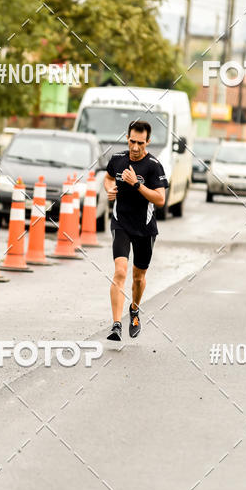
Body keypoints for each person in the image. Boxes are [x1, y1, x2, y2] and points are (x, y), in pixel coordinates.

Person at [104, 120, 168, 341]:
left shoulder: (153, 166)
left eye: (140, 143)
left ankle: (134, 308)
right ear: (127, 138)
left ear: (148, 142)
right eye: (132, 141)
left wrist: (137, 184)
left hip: (145, 228)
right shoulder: (117, 160)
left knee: (138, 277)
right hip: (120, 222)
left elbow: (160, 199)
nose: (135, 147)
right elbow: (108, 178)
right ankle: (115, 325)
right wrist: (109, 189)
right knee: (120, 271)